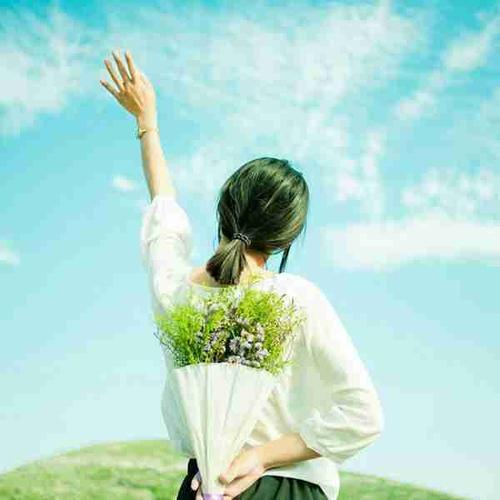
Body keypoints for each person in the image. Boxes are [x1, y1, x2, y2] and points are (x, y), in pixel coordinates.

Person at [100, 49, 384, 500]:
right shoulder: (297, 299)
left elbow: (164, 218)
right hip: (289, 491)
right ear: (286, 238)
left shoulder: (176, 293)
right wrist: (262, 457)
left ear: (224, 208)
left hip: (204, 487)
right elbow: (362, 415)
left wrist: (146, 123)